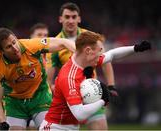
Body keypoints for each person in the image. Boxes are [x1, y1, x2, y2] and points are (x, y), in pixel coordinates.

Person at [40, 31, 151, 130]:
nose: (100, 56)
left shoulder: (87, 60)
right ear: (88, 51)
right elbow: (79, 114)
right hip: (55, 127)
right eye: (99, 52)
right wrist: (104, 100)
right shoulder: (69, 77)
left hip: (69, 127)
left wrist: (135, 48)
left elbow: (112, 54)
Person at [47, 2, 116, 130]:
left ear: (79, 18)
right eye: (67, 17)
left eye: (74, 17)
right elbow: (48, 80)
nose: (71, 20)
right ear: (60, 19)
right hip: (70, 99)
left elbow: (106, 61)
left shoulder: (91, 38)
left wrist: (111, 86)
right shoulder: (55, 45)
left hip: (93, 95)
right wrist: (58, 88)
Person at [0, 27, 75, 130]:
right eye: (9, 47)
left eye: (14, 42)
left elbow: (64, 42)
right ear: (0, 51)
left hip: (40, 96)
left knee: (48, 129)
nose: (15, 48)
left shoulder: (31, 46)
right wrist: (2, 122)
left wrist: (79, 55)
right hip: (14, 103)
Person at [26, 22, 50, 130]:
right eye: (39, 35)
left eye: (45, 35)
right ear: (30, 37)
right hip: (23, 101)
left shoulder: (48, 56)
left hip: (43, 100)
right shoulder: (24, 54)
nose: (43, 38)